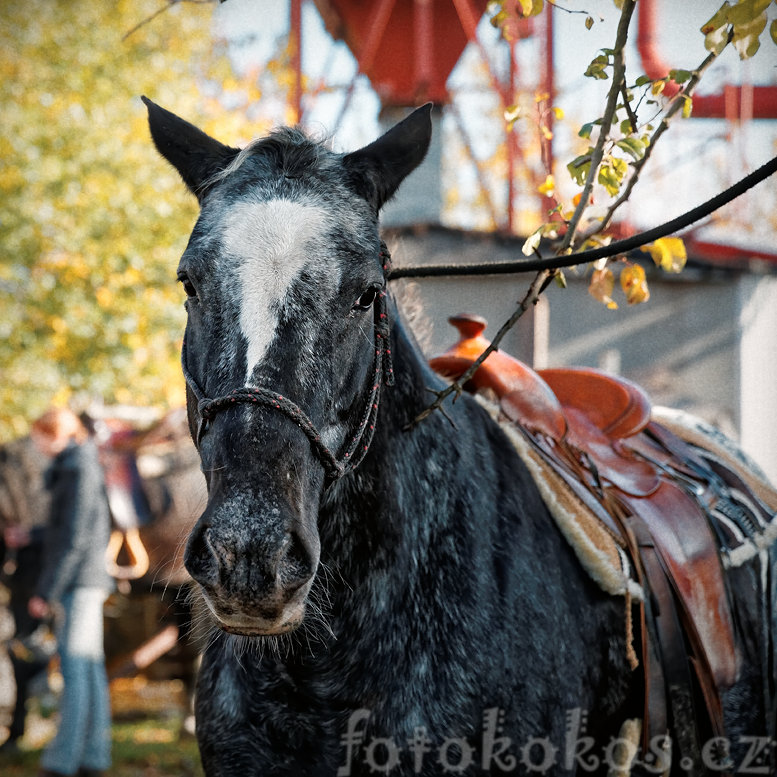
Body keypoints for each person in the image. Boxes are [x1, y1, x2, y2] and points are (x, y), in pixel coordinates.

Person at [28, 408, 113, 777]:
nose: (37, 445)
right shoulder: (77, 465)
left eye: (40, 438)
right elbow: (69, 530)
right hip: (85, 580)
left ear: (57, 435)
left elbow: (74, 540)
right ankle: (93, 756)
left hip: (79, 583)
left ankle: (62, 761)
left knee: (76, 669)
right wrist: (30, 536)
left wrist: (46, 590)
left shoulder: (78, 469)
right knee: (89, 669)